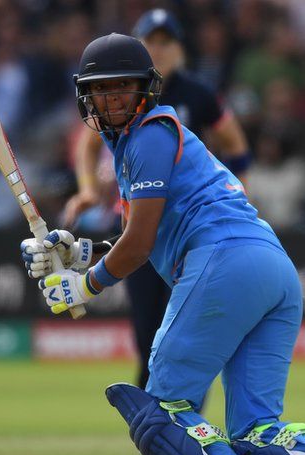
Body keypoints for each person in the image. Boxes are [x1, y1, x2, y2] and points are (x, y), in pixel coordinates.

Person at [20, 33, 305, 455]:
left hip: (222, 262)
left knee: (161, 410)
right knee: (254, 433)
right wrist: (77, 252)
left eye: (122, 89)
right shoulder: (141, 143)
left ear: (145, 90)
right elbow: (145, 237)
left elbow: (142, 240)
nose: (112, 101)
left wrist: (85, 284)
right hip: (271, 268)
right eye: (102, 92)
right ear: (87, 99)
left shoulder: (148, 136)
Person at [63, 9, 253, 389]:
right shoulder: (112, 108)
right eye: (152, 41)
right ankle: (166, 421)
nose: (160, 49)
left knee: (180, 336)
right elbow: (85, 144)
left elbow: (236, 145)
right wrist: (87, 190)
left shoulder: (197, 94)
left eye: (167, 42)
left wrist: (233, 197)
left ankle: (178, 420)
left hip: (189, 229)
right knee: (148, 334)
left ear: (178, 48)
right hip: (139, 222)